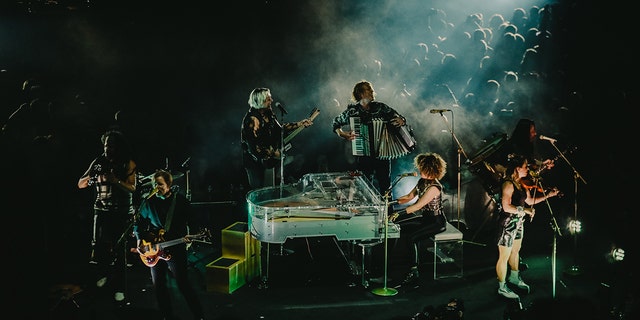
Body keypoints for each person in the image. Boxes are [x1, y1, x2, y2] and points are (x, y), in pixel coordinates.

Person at [133, 169, 206, 320]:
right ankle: (167, 316)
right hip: (154, 248)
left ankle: (199, 316)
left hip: (175, 247)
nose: (156, 187)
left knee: (183, 284)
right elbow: (138, 223)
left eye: (159, 184)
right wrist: (140, 240)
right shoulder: (149, 202)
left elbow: (193, 221)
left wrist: (191, 236)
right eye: (154, 184)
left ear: (169, 185)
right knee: (159, 286)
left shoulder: (180, 202)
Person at [77, 129, 137, 302]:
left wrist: (115, 181)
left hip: (121, 212)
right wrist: (91, 177)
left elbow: (133, 188)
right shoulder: (98, 161)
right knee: (99, 247)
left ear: (118, 147)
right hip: (101, 210)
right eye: (105, 145)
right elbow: (80, 184)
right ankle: (104, 276)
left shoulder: (127, 163)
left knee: (119, 251)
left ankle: (120, 288)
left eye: (111, 145)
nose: (107, 148)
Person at [495, 154, 560, 299]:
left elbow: (529, 201)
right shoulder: (508, 184)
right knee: (503, 257)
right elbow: (506, 206)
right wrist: (524, 210)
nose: (528, 169)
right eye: (525, 167)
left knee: (515, 252)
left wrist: (548, 196)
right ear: (517, 168)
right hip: (507, 224)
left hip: (518, 223)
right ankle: (502, 287)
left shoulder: (521, 183)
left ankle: (514, 277)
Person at [332, 80, 408, 193]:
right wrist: (343, 134)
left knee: (385, 185)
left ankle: (388, 210)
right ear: (361, 93)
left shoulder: (381, 107)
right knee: (365, 184)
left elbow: (399, 117)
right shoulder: (353, 111)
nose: (372, 92)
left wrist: (401, 120)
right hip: (364, 153)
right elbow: (335, 123)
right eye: (369, 90)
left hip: (383, 153)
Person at [389, 152, 448, 286]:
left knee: (411, 237)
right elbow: (409, 196)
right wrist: (390, 202)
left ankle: (413, 272)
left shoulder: (434, 188)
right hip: (425, 219)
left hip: (436, 222)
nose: (419, 170)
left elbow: (417, 206)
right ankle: (397, 265)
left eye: (422, 168)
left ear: (430, 169)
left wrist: (399, 213)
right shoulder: (422, 182)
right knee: (398, 227)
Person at [241, 87, 314, 190]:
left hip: (267, 160)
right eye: (268, 99)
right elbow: (254, 147)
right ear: (260, 101)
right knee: (258, 191)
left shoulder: (269, 114)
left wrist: (300, 124)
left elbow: (280, 129)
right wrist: (274, 154)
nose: (271, 101)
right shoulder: (253, 119)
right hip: (255, 163)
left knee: (269, 189)